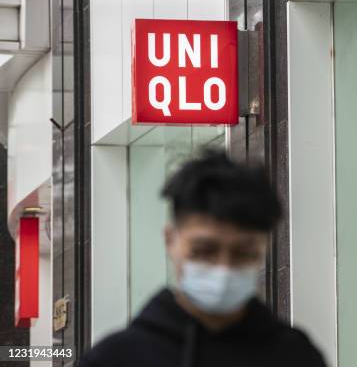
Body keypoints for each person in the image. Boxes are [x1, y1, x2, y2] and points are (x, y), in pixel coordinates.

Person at [78, 150, 327, 367]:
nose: (224, 267)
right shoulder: (116, 359)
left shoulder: (295, 357)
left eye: (243, 253)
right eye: (204, 250)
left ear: (264, 248)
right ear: (170, 240)